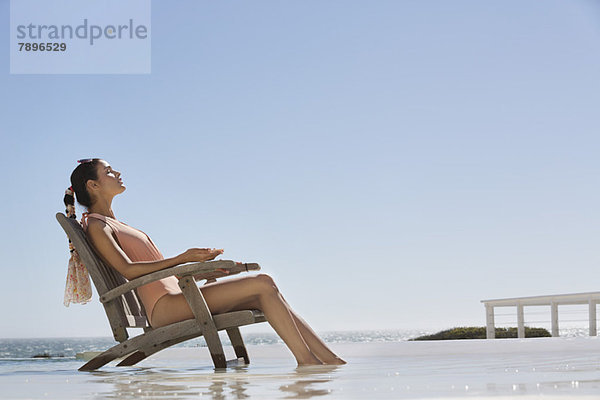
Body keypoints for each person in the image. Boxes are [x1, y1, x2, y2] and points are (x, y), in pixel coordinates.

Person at [64, 158, 345, 366]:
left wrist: (200, 272)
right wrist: (184, 258)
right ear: (93, 185)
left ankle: (327, 360)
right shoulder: (98, 226)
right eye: (109, 171)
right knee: (262, 284)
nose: (118, 172)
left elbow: (157, 276)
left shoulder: (115, 223)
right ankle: (308, 361)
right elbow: (128, 270)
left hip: (178, 297)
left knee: (265, 287)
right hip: (166, 308)